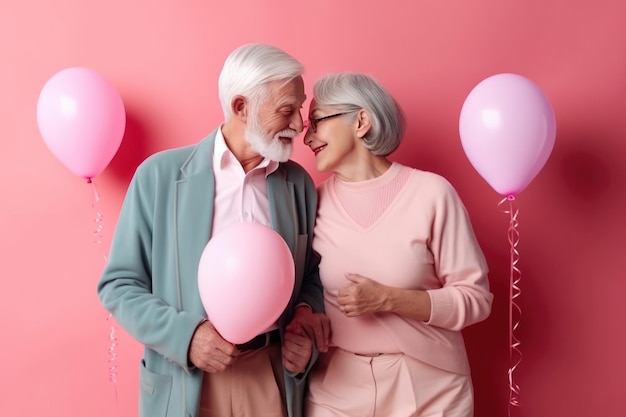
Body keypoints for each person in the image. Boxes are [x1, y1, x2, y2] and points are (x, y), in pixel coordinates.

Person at [97, 43, 330, 417]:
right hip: (185, 377)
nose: (299, 123)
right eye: (287, 109)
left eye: (300, 108)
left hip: (270, 374)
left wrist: (306, 314)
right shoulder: (159, 176)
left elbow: (312, 276)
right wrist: (186, 337)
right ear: (241, 107)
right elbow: (119, 285)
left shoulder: (298, 185)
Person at [302, 72, 494, 417]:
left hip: (430, 388)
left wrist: (389, 298)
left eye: (316, 122)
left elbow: (475, 299)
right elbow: (304, 292)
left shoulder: (432, 194)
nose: (307, 137)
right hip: (337, 386)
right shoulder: (312, 204)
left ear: (361, 121)